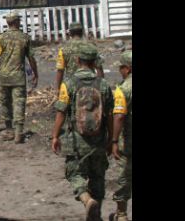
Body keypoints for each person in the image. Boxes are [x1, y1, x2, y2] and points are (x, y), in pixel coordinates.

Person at [51, 42, 113, 221]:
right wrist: (110, 139)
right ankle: (97, 214)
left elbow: (61, 112)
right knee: (98, 178)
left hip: (77, 141)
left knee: (74, 174)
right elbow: (109, 114)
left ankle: (86, 200)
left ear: (78, 61)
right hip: (99, 140)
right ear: (95, 63)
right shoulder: (103, 84)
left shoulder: (69, 84)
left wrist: (55, 135)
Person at [0, 12, 39, 143]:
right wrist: (35, 73)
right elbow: (31, 58)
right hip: (19, 77)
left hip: (4, 76)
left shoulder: (1, 38)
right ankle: (19, 132)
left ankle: (9, 130)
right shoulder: (24, 38)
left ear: (8, 23)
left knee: (5, 103)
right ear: (17, 22)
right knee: (19, 102)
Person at [109, 51, 132, 221]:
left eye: (121, 68)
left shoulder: (123, 89)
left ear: (128, 68)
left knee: (125, 176)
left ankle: (122, 214)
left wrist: (114, 140)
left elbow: (119, 116)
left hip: (129, 143)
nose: (120, 71)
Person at [56, 22, 104, 89]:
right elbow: (99, 68)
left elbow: (60, 70)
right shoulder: (91, 46)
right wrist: (100, 86)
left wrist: (58, 89)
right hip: (90, 84)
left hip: (71, 85)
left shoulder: (63, 49)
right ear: (82, 32)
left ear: (70, 33)